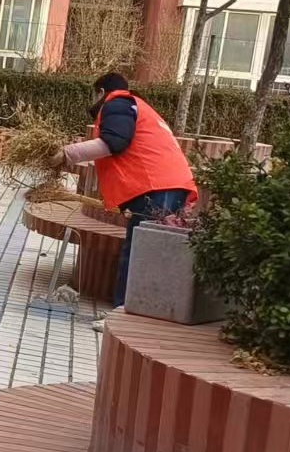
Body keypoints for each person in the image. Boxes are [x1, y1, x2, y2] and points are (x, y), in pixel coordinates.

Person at [58, 72, 197, 308]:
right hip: (167, 185)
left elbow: (114, 142)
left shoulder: (118, 104)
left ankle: (124, 313)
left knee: (141, 253)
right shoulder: (136, 107)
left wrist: (66, 153)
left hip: (158, 186)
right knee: (147, 251)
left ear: (101, 92)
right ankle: (131, 311)